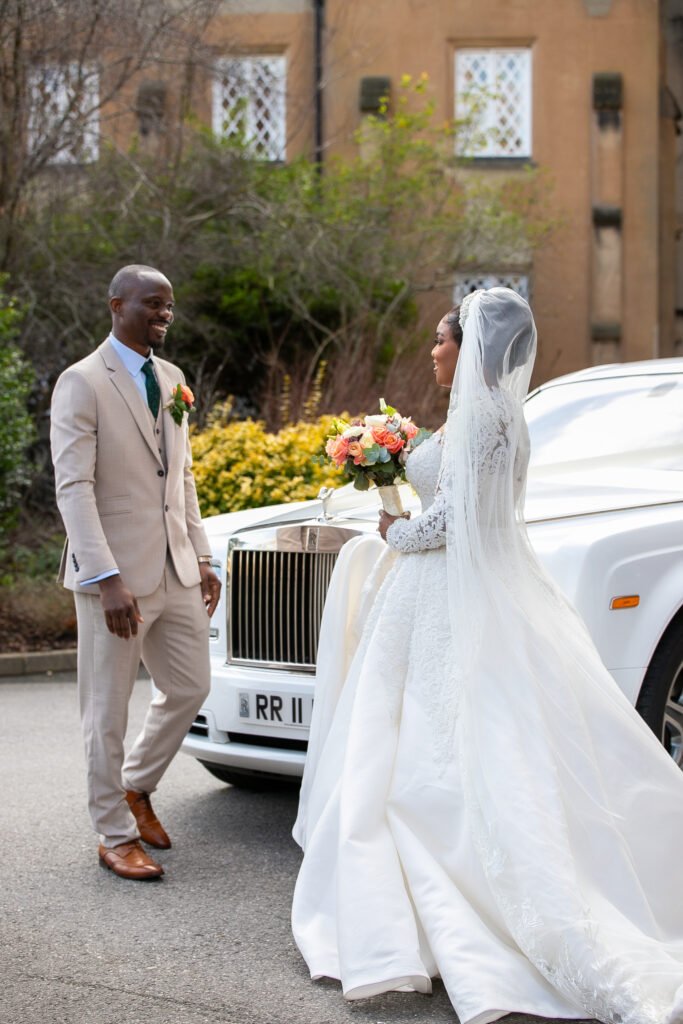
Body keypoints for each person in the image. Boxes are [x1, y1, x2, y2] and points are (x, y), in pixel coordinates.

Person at [292, 288, 683, 1024]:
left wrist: (392, 529)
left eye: (442, 340)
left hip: (449, 592)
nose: (433, 351)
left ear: (468, 345)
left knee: (442, 742)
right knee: (451, 734)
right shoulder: (494, 414)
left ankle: (456, 890)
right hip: (471, 588)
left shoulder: (483, 420)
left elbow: (451, 522)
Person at [51, 264, 220, 881]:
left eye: (169, 305)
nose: (164, 314)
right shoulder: (82, 382)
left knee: (191, 687)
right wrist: (105, 578)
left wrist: (202, 555)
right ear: (116, 305)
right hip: (115, 579)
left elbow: (183, 476)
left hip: (176, 566)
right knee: (107, 711)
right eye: (152, 303)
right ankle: (115, 834)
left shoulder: (172, 379)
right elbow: (73, 487)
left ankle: (136, 785)